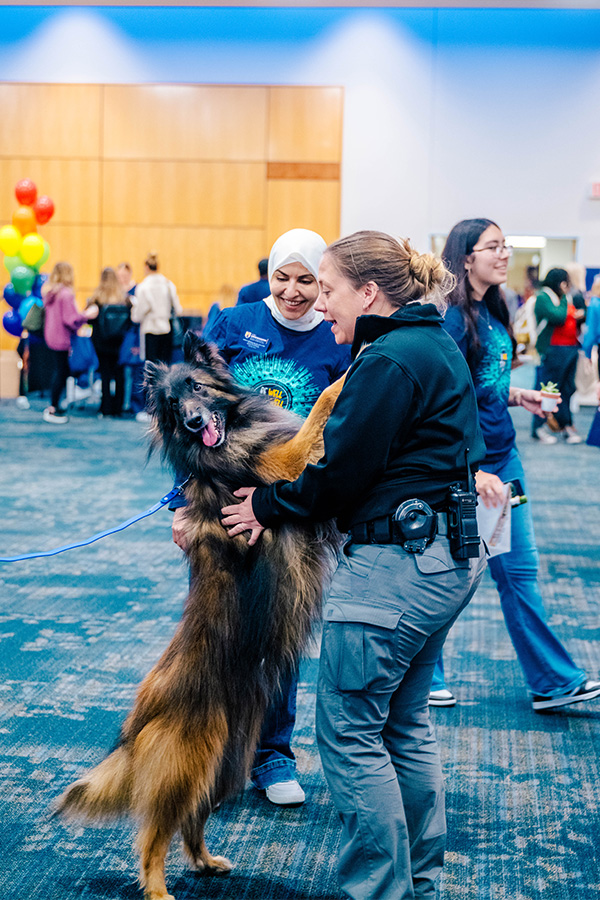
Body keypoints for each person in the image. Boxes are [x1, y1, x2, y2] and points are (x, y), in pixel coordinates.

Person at [221, 230, 487, 900]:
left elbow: (338, 478)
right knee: (403, 725)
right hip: (443, 561)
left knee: (349, 733)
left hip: (394, 571)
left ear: (368, 293)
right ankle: (417, 885)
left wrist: (269, 504)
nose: (320, 305)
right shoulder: (433, 345)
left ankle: (379, 891)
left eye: (329, 290)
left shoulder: (388, 359)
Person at [172, 228, 350, 807]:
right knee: (214, 633)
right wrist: (182, 506)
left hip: (291, 512)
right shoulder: (234, 322)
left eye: (306, 279)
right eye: (283, 277)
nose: (294, 291)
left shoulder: (335, 337)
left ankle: (272, 756)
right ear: (268, 275)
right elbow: (189, 420)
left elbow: (342, 428)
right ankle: (215, 757)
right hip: (220, 503)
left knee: (280, 637)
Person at [430, 218, 600, 712]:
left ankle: (552, 681)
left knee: (518, 570)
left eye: (505, 246)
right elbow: (442, 400)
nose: (505, 255)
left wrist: (515, 394)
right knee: (449, 574)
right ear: (465, 257)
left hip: (504, 457)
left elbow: (480, 386)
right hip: (468, 468)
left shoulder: (494, 310)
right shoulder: (450, 320)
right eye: (493, 247)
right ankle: (425, 675)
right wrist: (470, 468)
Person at [531, 267, 585, 444]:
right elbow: (559, 316)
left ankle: (565, 425)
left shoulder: (563, 298)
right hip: (553, 350)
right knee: (548, 389)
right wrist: (567, 306)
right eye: (564, 282)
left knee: (567, 389)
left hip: (570, 348)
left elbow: (579, 313)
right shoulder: (543, 297)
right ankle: (538, 427)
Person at [130, 251, 182, 422]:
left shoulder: (143, 287)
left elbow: (138, 315)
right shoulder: (168, 284)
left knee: (150, 372)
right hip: (166, 330)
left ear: (146, 267)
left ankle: (150, 409)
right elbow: (178, 309)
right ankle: (165, 408)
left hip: (150, 331)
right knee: (165, 370)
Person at [42, 261, 93, 424]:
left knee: (60, 370)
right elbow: (70, 319)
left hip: (51, 336)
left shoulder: (52, 293)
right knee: (62, 372)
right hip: (62, 338)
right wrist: (87, 315)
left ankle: (55, 404)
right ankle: (53, 407)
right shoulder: (66, 294)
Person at [85, 267, 131, 418]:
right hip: (119, 343)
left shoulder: (97, 298)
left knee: (105, 374)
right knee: (119, 375)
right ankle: (118, 408)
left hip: (101, 343)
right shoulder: (124, 298)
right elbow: (131, 320)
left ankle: (106, 408)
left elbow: (88, 319)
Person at [116, 262, 144, 417]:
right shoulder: (116, 291)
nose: (122, 278)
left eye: (124, 275)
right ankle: (121, 404)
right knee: (121, 371)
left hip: (133, 335)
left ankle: (135, 405)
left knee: (135, 371)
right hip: (118, 335)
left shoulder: (137, 290)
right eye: (119, 276)